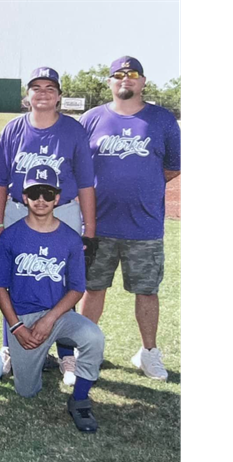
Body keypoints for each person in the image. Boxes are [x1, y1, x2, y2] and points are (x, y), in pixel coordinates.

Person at [0, 66, 97, 385]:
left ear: (59, 96)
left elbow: (86, 184)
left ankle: (66, 352)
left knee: (63, 280)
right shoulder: (12, 129)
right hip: (16, 209)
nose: (43, 92)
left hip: (62, 210)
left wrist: (89, 229)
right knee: (13, 276)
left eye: (50, 87)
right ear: (28, 96)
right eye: (36, 87)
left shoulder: (74, 130)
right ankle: (11, 345)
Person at [78, 56, 181, 382]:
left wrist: (143, 184)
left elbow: (174, 166)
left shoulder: (162, 119)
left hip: (144, 224)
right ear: (109, 82)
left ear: (143, 81)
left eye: (132, 74)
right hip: (98, 223)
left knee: (147, 291)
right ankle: (86, 353)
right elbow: (78, 166)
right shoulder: (92, 119)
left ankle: (148, 353)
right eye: (118, 75)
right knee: (93, 289)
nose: (126, 79)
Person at [0, 165, 105, 432]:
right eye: (34, 193)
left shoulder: (69, 238)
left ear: (57, 197)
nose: (40, 199)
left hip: (59, 315)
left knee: (93, 337)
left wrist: (50, 319)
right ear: (24, 197)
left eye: (47, 193)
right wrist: (17, 328)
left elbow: (77, 288)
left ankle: (79, 400)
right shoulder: (10, 237)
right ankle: (39, 358)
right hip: (24, 319)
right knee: (26, 391)